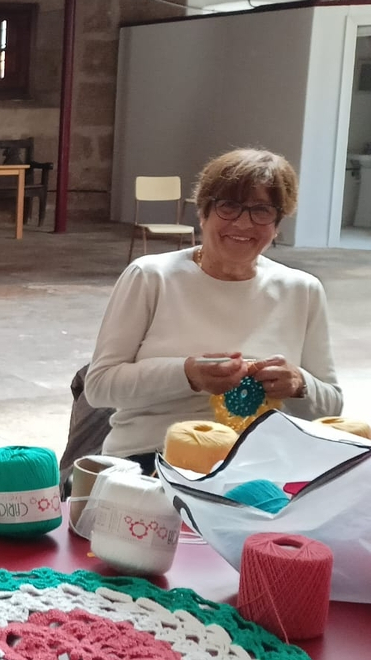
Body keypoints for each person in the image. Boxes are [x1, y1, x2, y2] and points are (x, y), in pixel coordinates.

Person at [85, 148, 343, 472]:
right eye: (229, 206)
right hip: (155, 457)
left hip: (262, 463)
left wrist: (299, 384)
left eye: (261, 210)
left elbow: (332, 405)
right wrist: (188, 374)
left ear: (277, 224)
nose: (243, 223)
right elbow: (99, 386)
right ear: (203, 212)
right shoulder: (151, 277)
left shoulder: (302, 290)